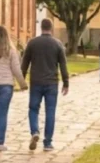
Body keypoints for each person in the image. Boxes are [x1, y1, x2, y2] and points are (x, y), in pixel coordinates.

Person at [22, 19, 70, 152]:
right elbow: (63, 65)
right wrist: (66, 82)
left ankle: (35, 131)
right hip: (51, 83)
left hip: (36, 81)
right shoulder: (57, 44)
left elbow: (25, 62)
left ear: (41, 27)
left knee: (33, 109)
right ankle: (47, 142)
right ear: (52, 28)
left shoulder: (32, 43)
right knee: (50, 111)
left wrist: (21, 79)